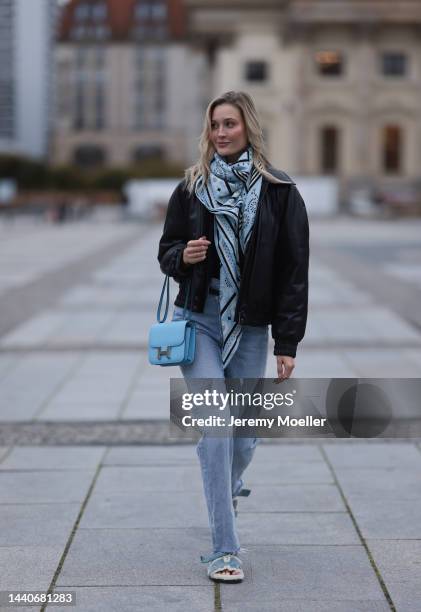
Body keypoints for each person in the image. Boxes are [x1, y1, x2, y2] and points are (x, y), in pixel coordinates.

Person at [158, 90, 309, 583]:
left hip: (250, 327)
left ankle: (230, 485)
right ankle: (225, 548)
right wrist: (185, 256)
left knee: (243, 439)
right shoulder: (192, 188)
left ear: (248, 128)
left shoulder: (280, 191)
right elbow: (166, 252)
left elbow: (293, 272)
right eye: (215, 125)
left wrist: (287, 343)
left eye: (230, 124)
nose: (221, 133)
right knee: (218, 427)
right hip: (196, 320)